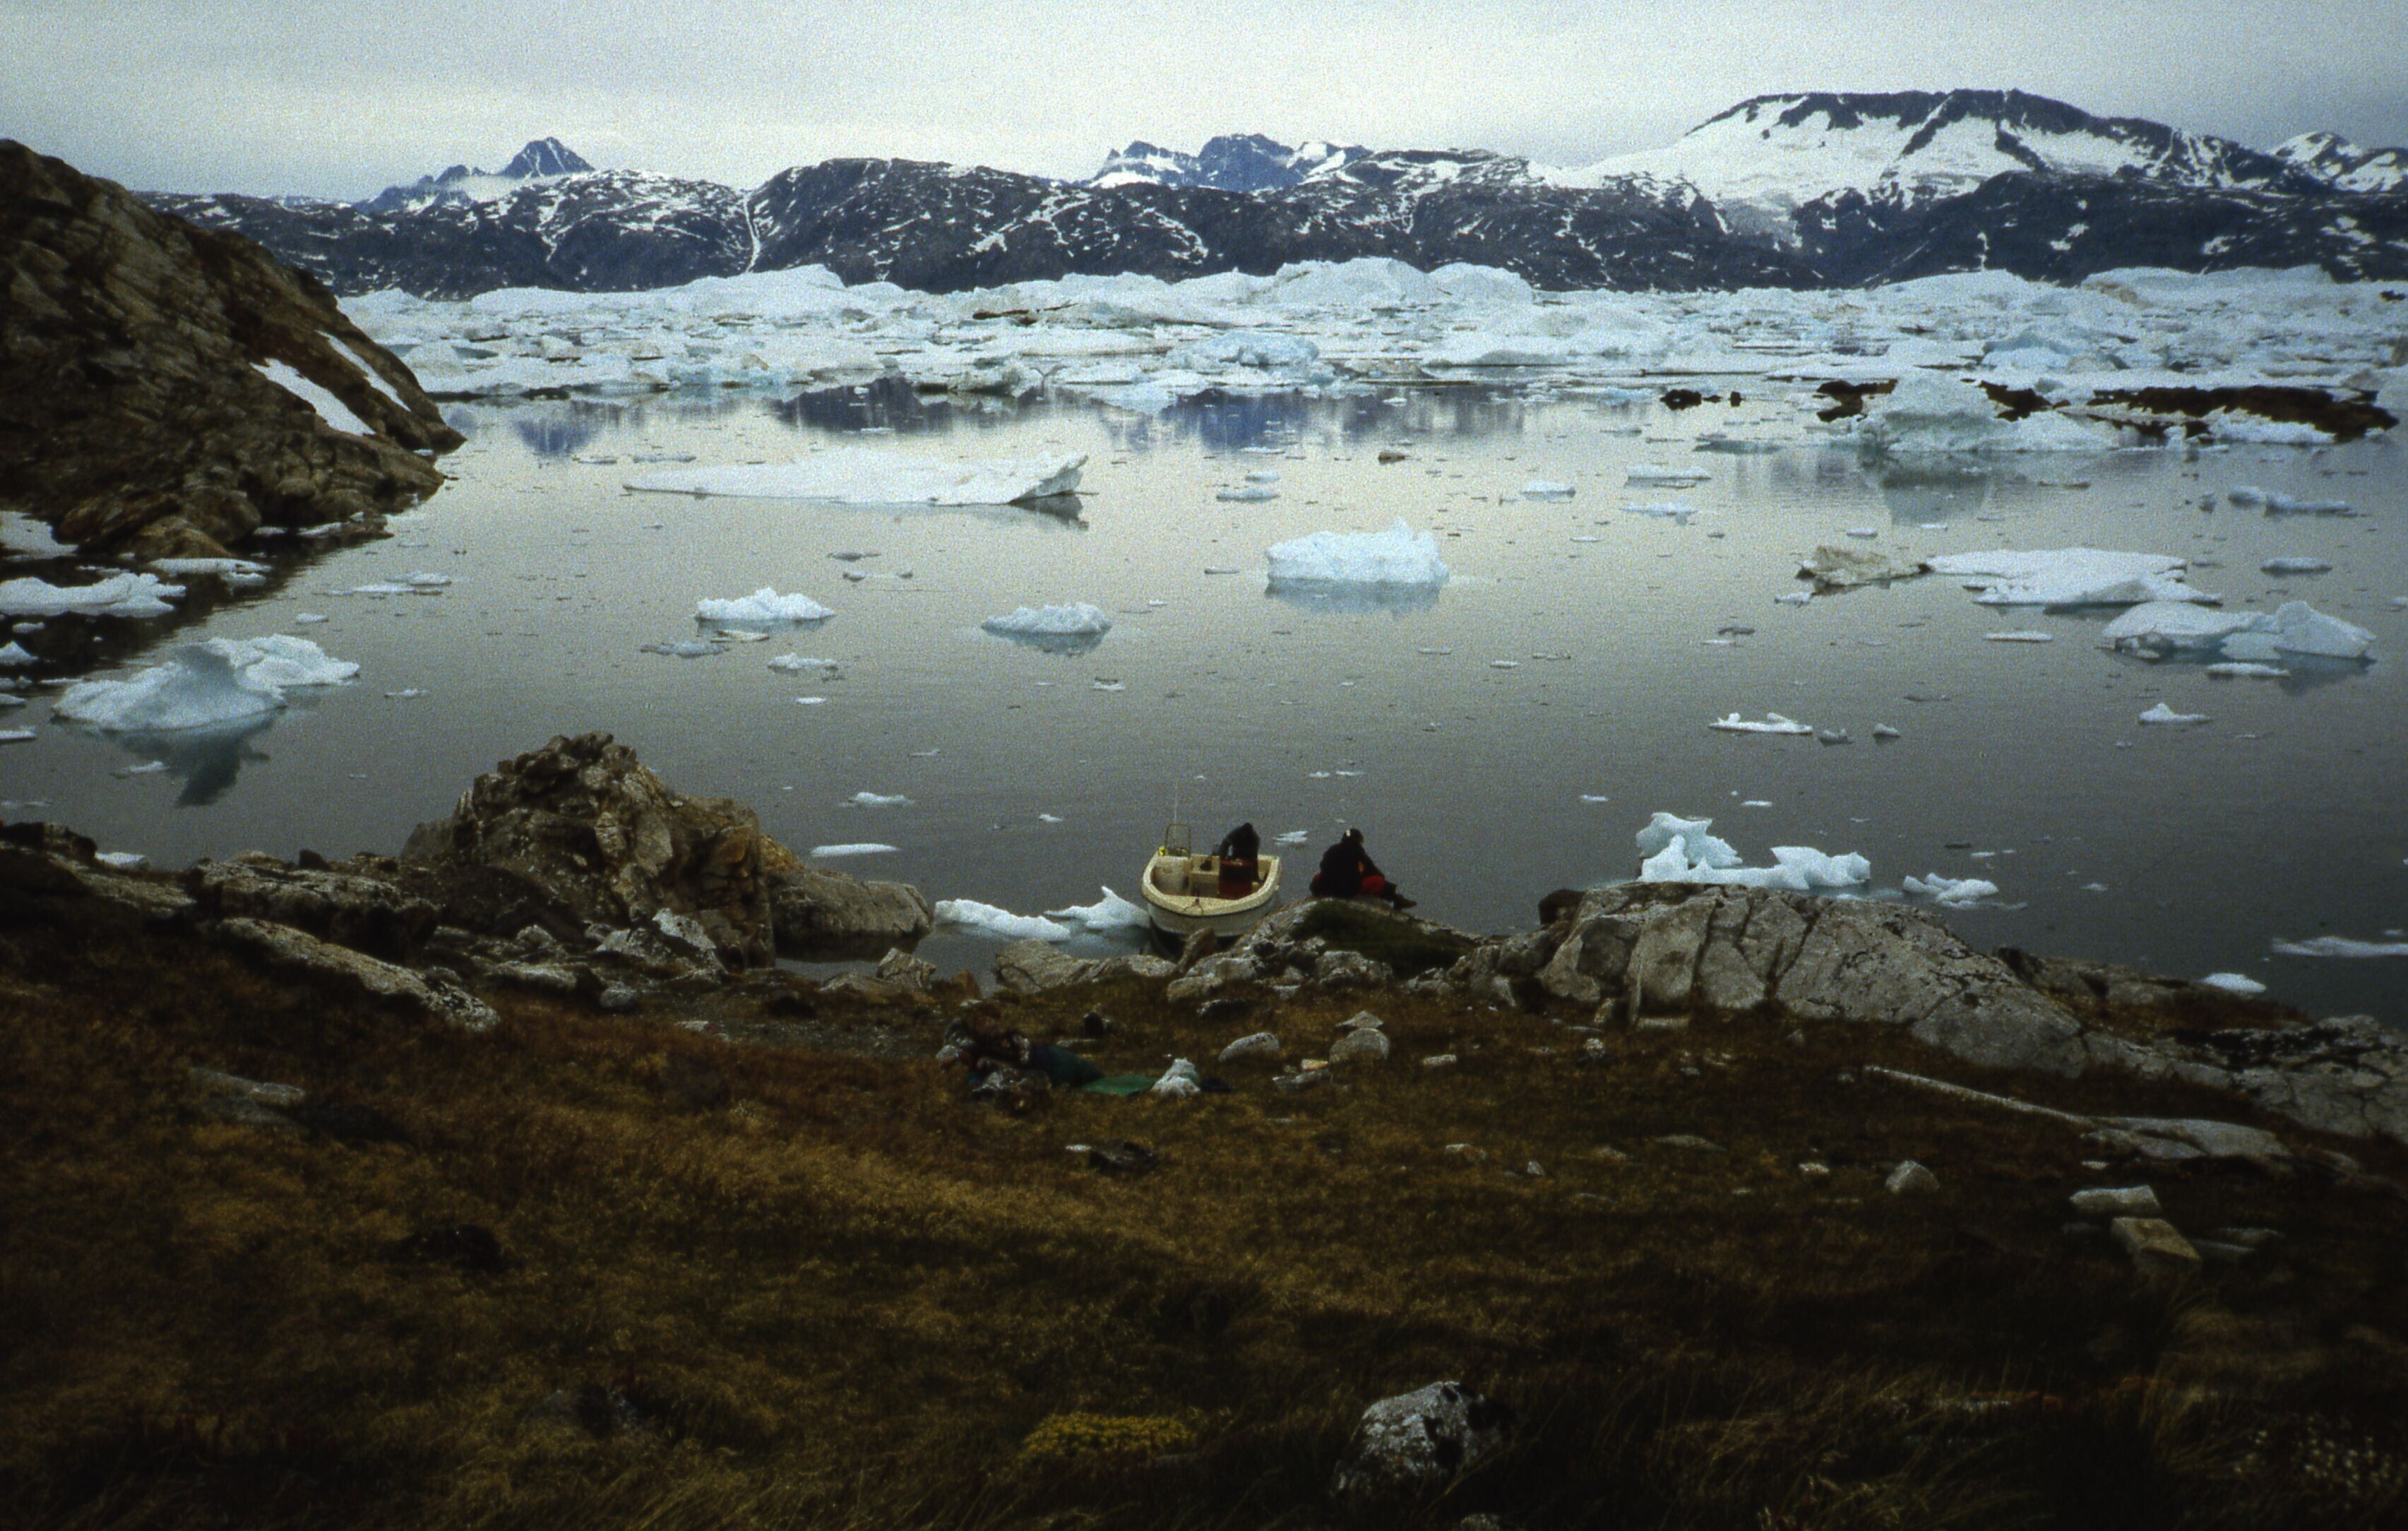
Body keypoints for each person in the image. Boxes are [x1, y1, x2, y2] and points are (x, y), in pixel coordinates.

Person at [1309, 828, 1414, 910]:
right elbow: (1369, 870)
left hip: (1327, 887)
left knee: (1318, 877)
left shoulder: (1332, 850)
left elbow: (1323, 866)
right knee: (1378, 882)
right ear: (1359, 840)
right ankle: (1396, 900)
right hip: (1348, 890)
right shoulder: (1358, 851)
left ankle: (1316, 894)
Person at [1214, 821, 1261, 898]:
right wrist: (1223, 858)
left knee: (1251, 863)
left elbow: (1254, 857)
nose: (1244, 835)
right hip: (1237, 851)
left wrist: (1255, 876)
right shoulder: (1235, 832)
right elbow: (1225, 844)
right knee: (1231, 863)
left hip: (1249, 852)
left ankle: (1254, 877)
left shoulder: (1255, 838)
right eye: (1243, 833)